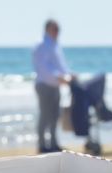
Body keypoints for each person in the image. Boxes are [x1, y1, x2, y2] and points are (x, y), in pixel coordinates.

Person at [32, 20, 71, 153]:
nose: (57, 32)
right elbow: (42, 67)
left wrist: (68, 74)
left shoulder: (54, 45)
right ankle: (42, 145)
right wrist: (57, 76)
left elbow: (59, 64)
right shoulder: (41, 44)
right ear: (48, 28)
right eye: (55, 29)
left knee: (55, 116)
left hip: (55, 85)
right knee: (45, 115)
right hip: (44, 85)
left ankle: (53, 143)